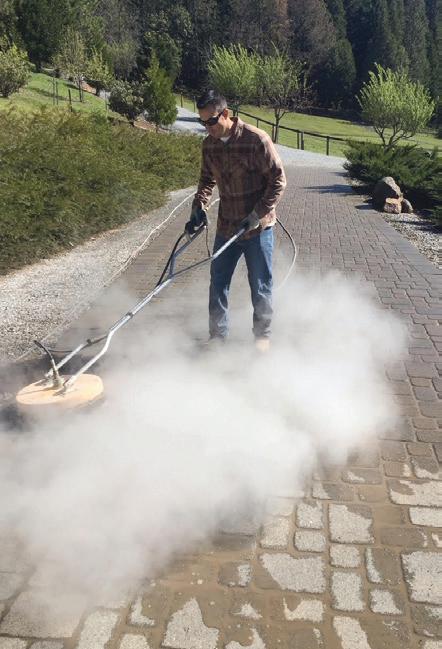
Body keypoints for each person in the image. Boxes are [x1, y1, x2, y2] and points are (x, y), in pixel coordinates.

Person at [186, 89, 286, 352]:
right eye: (202, 122)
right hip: (227, 227)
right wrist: (199, 206)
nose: (208, 128)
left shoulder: (256, 140)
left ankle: (262, 336)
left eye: (211, 121)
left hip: (258, 229)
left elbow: (278, 181)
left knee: (260, 284)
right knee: (218, 283)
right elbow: (206, 180)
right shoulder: (209, 146)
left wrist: (257, 214)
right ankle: (217, 338)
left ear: (226, 114)